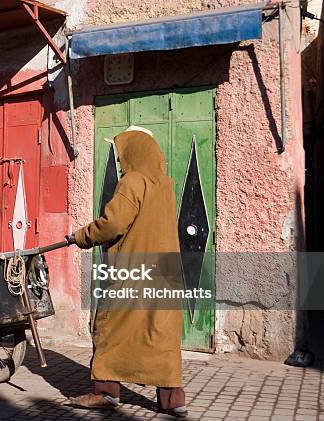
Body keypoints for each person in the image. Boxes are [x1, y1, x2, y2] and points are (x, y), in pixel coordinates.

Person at [68, 126, 187, 417]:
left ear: (133, 151)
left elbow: (112, 223)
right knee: (161, 335)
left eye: (122, 155)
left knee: (109, 328)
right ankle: (173, 402)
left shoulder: (132, 182)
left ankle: (105, 393)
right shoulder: (165, 185)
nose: (120, 161)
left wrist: (81, 236)